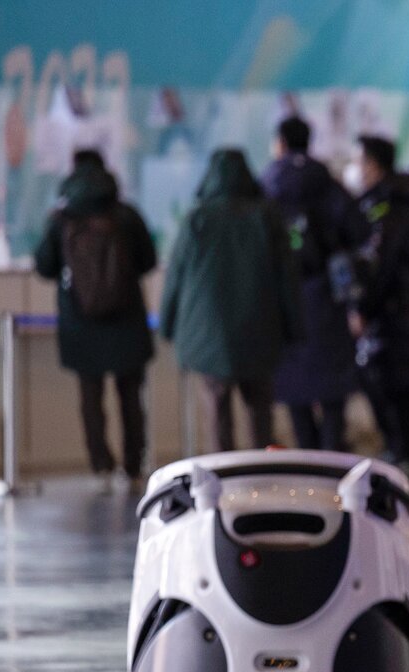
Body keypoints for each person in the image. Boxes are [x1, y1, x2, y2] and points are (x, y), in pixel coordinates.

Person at [160, 148, 299, 452]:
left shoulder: (197, 219)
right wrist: (294, 327)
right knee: (260, 411)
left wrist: (167, 324)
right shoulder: (267, 217)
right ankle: (261, 478)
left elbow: (176, 278)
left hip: (209, 334)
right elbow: (287, 278)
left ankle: (222, 482)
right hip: (260, 330)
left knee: (217, 414)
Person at [33, 148, 156, 490]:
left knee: (91, 397)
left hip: (79, 321)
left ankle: (101, 465)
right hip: (127, 316)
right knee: (130, 396)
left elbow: (44, 266)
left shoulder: (61, 219)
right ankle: (133, 466)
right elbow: (148, 261)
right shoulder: (126, 215)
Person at [261, 116, 371, 450]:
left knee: (295, 389)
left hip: (285, 303)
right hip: (327, 300)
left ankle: (307, 462)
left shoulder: (267, 187)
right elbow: (361, 232)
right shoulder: (328, 185)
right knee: (332, 390)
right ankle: (332, 463)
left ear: (280, 143)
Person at [345, 135, 409, 480]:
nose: (354, 169)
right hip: (403, 313)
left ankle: (403, 457)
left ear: (373, 165)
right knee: (396, 388)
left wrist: (362, 308)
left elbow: (379, 268)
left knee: (393, 388)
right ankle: (404, 455)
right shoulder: (396, 205)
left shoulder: (388, 211)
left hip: (395, 315)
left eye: (358, 161)